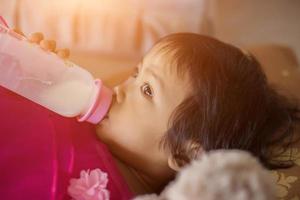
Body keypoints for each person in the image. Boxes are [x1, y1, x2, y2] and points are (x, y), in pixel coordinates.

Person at [5, 30, 300, 197]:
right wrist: (30, 66)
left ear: (185, 155)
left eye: (146, 90)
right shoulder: (75, 117)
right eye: (136, 74)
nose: (121, 87)